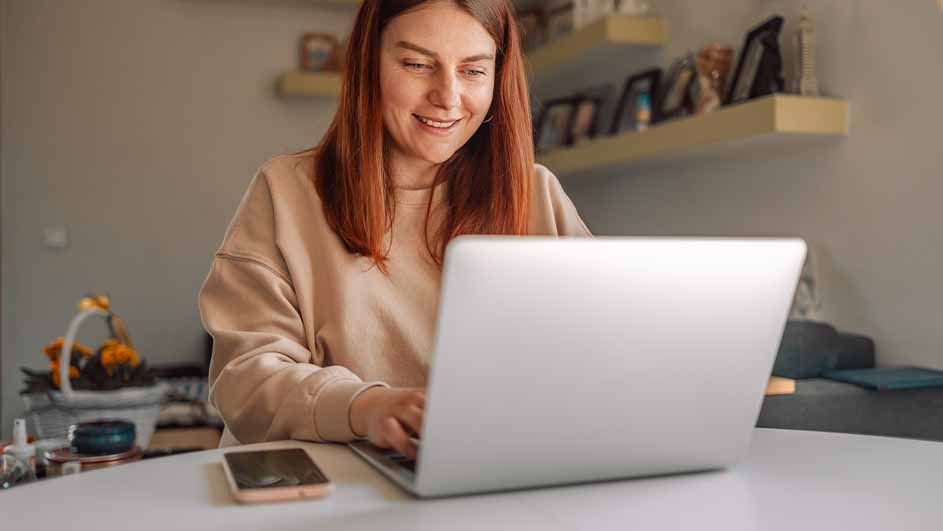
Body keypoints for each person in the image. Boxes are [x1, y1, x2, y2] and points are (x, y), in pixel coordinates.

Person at [199, 0, 592, 458]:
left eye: (473, 71)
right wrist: (365, 406)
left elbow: (605, 347)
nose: (447, 96)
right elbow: (245, 380)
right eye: (417, 64)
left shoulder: (537, 193)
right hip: (328, 484)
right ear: (368, 64)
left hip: (492, 470)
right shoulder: (285, 190)